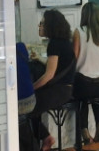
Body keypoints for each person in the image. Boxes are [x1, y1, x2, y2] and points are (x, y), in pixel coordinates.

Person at [30, 9, 76, 151]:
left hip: (59, 91)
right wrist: (39, 59)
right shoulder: (64, 42)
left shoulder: (54, 44)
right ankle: (46, 137)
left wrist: (31, 88)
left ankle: (44, 139)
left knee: (26, 107)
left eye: (42, 23)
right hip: (65, 90)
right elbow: (56, 67)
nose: (40, 26)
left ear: (50, 25)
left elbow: (49, 75)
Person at [72, 2, 99, 145]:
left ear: (84, 15)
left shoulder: (79, 32)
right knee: (98, 97)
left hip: (83, 85)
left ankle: (84, 131)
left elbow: (74, 59)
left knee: (82, 97)